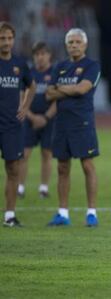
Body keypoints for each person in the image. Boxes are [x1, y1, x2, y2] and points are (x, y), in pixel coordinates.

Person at [45, 28, 101, 227]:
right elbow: (48, 95)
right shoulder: (59, 66)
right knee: (62, 167)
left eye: (77, 42)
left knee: (87, 165)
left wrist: (60, 89)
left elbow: (82, 89)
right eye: (70, 42)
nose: (74, 45)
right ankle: (63, 213)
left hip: (82, 122)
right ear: (66, 45)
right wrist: (68, 90)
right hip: (61, 122)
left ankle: (92, 212)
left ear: (85, 45)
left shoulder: (92, 65)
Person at [0, 22, 36, 227]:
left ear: (13, 40)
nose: (6, 42)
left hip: (12, 126)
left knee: (13, 169)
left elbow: (32, 85)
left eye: (9, 38)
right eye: (2, 38)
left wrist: (25, 107)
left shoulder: (20, 64)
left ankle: (9, 216)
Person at [18, 42, 56, 199]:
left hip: (49, 119)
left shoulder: (55, 73)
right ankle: (20, 188)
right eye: (37, 54)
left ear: (49, 55)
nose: (40, 57)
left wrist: (46, 117)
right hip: (29, 119)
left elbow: (58, 99)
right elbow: (20, 98)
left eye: (43, 54)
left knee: (47, 153)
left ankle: (44, 188)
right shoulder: (28, 73)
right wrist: (32, 116)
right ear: (33, 57)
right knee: (24, 154)